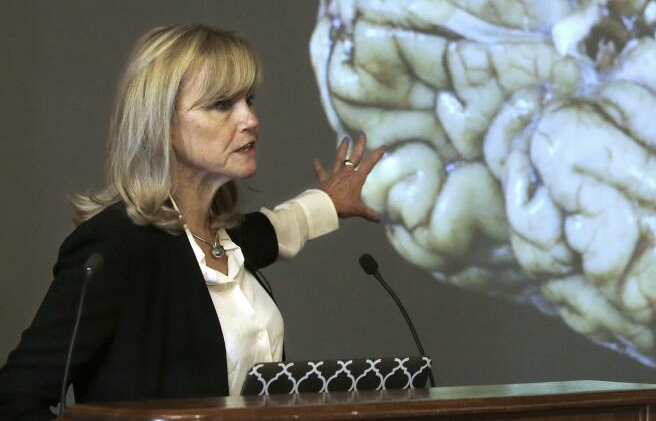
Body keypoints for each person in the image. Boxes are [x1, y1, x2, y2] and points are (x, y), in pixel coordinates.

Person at [0, 25, 385, 421]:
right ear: (161, 123)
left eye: (249, 100)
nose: (250, 119)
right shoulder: (115, 246)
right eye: (221, 104)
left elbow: (278, 228)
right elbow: (14, 398)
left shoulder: (224, 239)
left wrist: (331, 202)